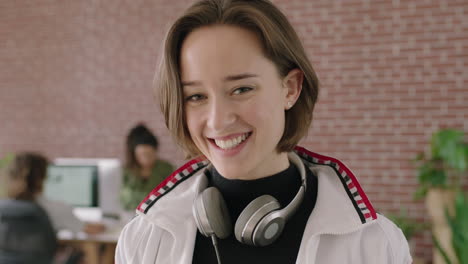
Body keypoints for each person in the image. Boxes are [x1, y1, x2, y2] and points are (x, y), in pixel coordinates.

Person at [116, 0, 412, 263]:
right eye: (196, 96)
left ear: (291, 88)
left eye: (242, 89)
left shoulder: (375, 246)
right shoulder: (142, 240)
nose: (218, 121)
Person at [5, 152, 105, 235]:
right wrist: (106, 225)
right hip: (42, 259)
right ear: (42, 178)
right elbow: (90, 230)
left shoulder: (4, 208)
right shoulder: (56, 208)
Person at [119, 123, 175, 211]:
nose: (146, 159)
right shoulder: (126, 172)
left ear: (155, 151)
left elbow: (173, 196)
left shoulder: (166, 169)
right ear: (135, 154)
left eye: (149, 154)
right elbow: (124, 200)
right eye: (142, 155)